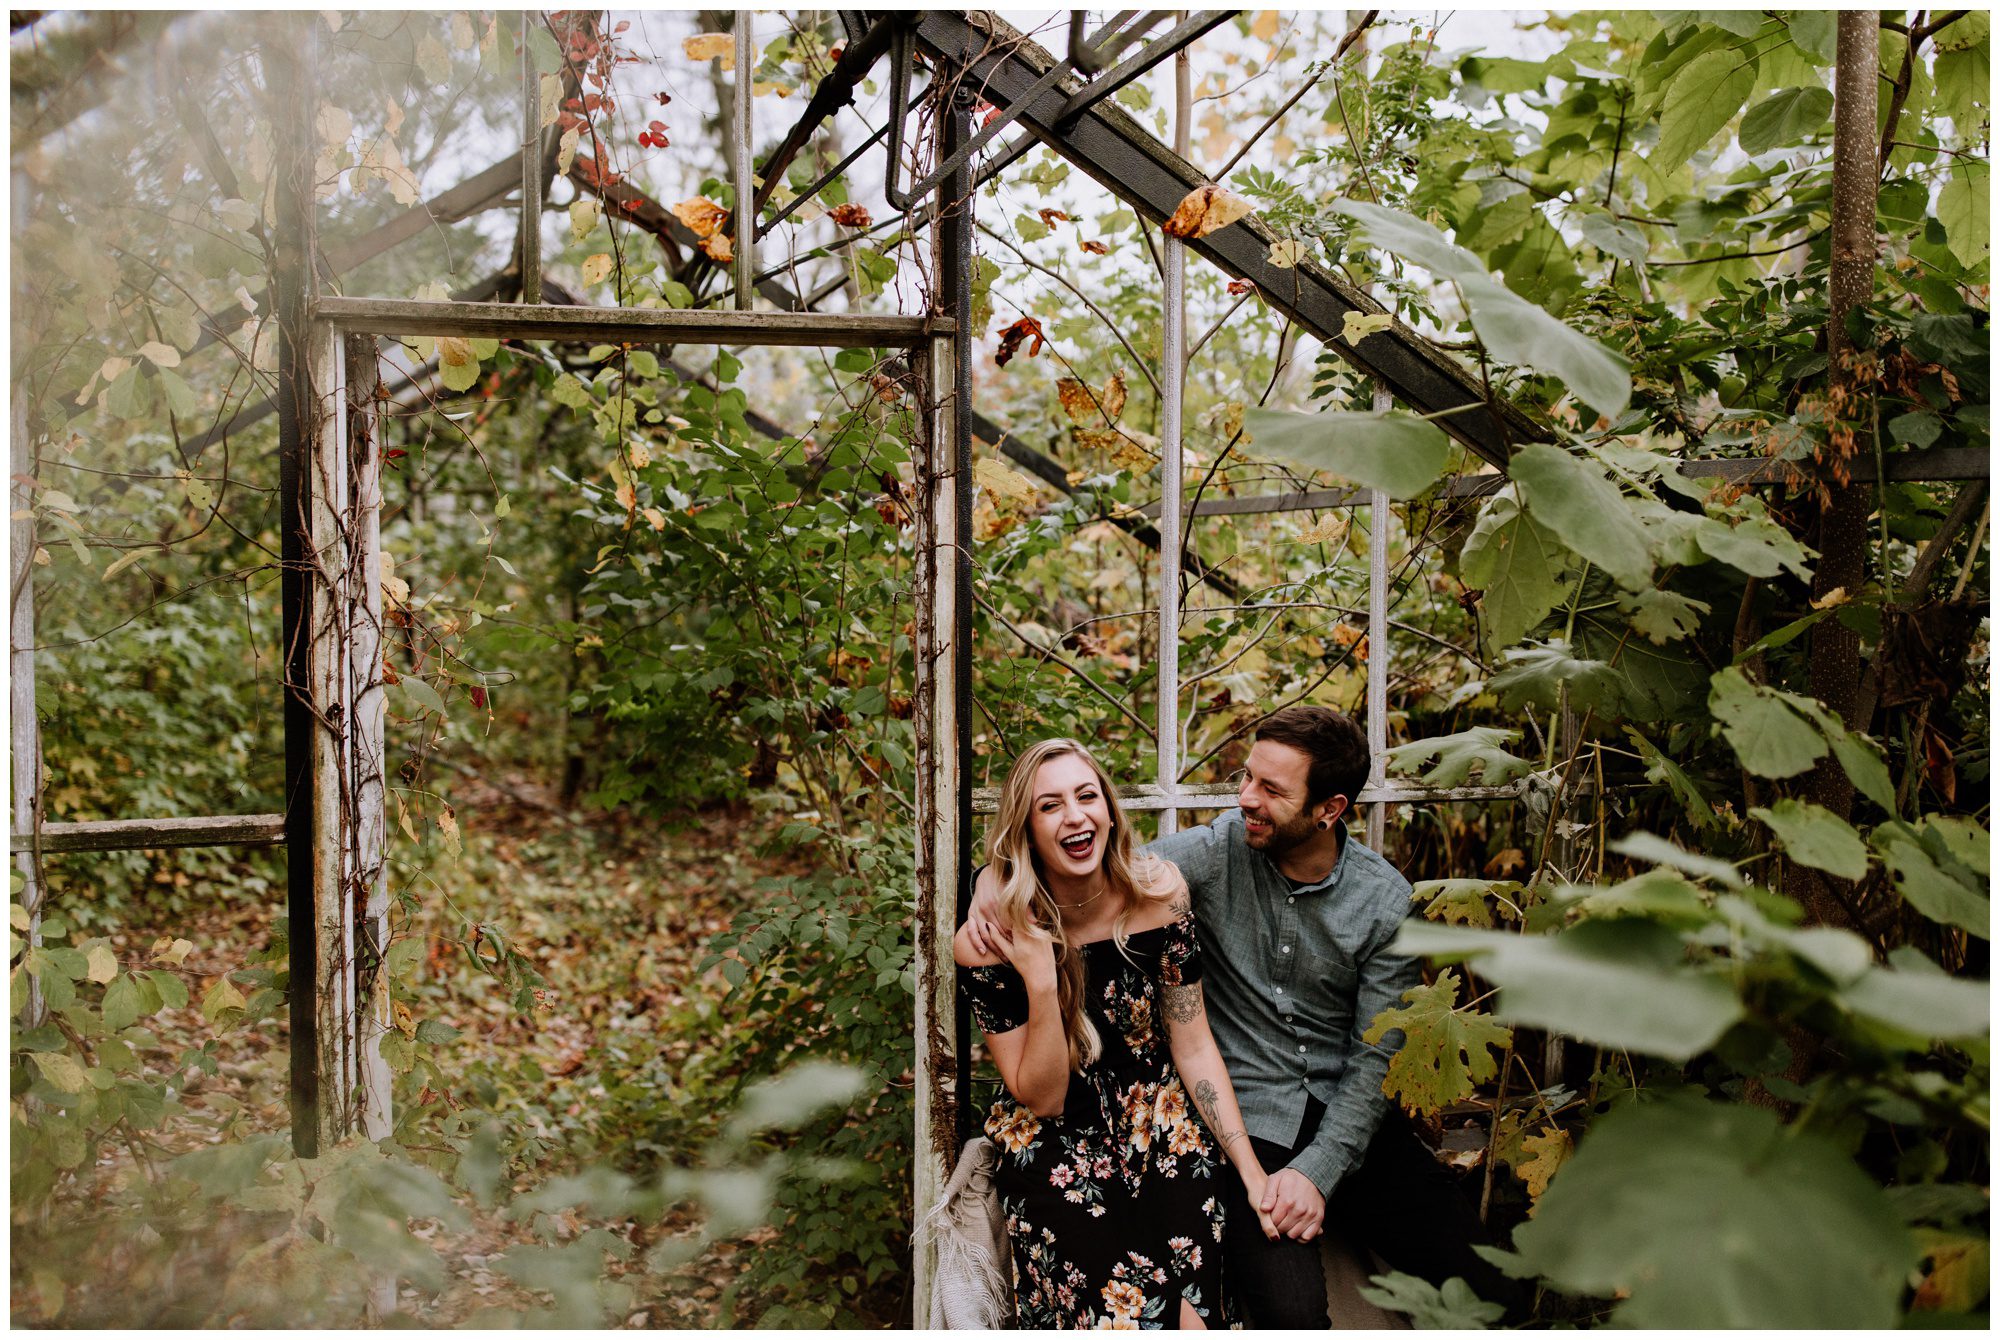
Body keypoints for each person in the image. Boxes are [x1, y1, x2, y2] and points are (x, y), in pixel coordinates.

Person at [968, 705, 1515, 1328]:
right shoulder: (1213, 852)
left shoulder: (1383, 903)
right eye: (1247, 776)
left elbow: (1374, 1063)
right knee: (1292, 1311)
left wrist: (1319, 1172)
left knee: (1486, 1282)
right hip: (1252, 1113)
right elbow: (1097, 870)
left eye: (1270, 789)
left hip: (1348, 1119)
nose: (1244, 798)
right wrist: (994, 874)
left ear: (1327, 810)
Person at [954, 737, 1279, 1330]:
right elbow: (1043, 1097)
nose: (1075, 816)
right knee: (1124, 1318)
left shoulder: (1159, 896)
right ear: (1025, 829)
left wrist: (1251, 1172)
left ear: (1108, 809)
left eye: (1086, 796)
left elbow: (1194, 1043)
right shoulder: (989, 941)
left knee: (1191, 1313)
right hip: (1053, 1142)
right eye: (1050, 806)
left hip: (1159, 1121)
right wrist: (1040, 977)